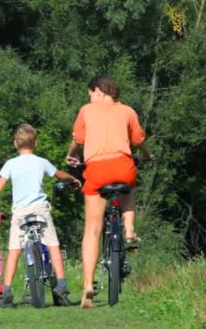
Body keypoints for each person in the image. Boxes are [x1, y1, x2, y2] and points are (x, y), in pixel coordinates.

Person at [66, 74, 154, 308]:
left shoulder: (87, 110)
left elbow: (78, 139)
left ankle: (87, 284)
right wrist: (147, 155)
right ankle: (128, 229)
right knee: (130, 185)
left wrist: (71, 154)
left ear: (98, 91)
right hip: (122, 166)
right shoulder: (127, 111)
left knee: (92, 229)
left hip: (96, 171)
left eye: (91, 93)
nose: (91, 98)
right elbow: (138, 140)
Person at [0, 124, 82, 307]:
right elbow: (59, 174)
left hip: (20, 212)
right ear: (36, 143)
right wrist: (73, 179)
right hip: (40, 209)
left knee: (14, 250)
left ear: (15, 143)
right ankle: (62, 287)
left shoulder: (10, 164)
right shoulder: (41, 161)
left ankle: (7, 290)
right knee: (53, 246)